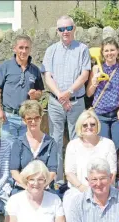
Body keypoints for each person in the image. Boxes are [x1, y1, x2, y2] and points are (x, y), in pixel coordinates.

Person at [42, 15, 91, 182]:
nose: (65, 32)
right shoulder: (51, 50)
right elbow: (47, 76)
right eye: (61, 29)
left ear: (74, 29)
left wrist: (68, 93)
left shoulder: (82, 49)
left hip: (76, 101)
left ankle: (77, 180)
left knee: (77, 140)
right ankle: (58, 181)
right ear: (57, 31)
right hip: (56, 102)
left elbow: (84, 75)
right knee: (55, 140)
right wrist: (60, 96)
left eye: (68, 28)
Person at [63, 109, 117, 220]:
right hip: (78, 191)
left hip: (104, 190)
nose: (89, 127)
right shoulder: (72, 145)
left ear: (98, 126)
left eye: (93, 124)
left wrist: (100, 190)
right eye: (85, 125)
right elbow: (69, 173)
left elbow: (112, 172)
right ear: (80, 127)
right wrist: (83, 188)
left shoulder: (108, 144)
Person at [0, 35, 44, 144]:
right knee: (8, 151)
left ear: (30, 49)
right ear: (14, 49)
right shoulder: (5, 67)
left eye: (27, 48)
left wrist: (36, 95)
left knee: (26, 150)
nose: (24, 51)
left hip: (27, 119)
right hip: (8, 118)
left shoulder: (35, 70)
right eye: (21, 47)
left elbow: (40, 92)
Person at [86, 37, 119, 150]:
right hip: (100, 114)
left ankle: (115, 168)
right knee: (103, 147)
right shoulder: (97, 69)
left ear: (117, 51)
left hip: (117, 114)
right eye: (106, 50)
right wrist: (94, 83)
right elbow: (88, 94)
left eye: (112, 50)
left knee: (116, 147)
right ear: (102, 53)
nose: (109, 53)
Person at [10, 100, 58, 194]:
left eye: (36, 118)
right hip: (23, 188)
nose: (33, 121)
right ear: (24, 120)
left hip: (45, 187)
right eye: (29, 119)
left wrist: (40, 187)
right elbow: (14, 171)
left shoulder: (51, 143)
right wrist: (27, 187)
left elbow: (52, 171)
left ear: (41, 118)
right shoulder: (18, 143)